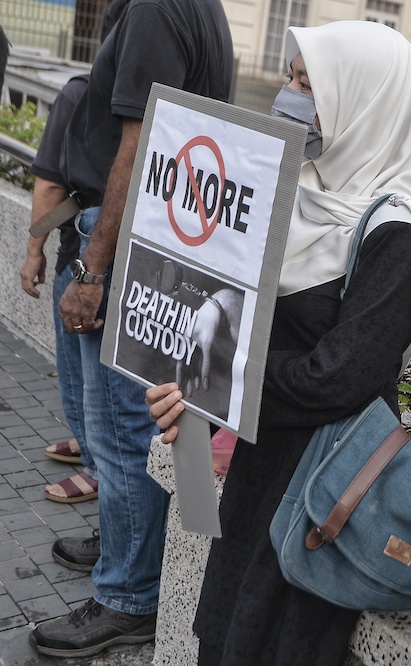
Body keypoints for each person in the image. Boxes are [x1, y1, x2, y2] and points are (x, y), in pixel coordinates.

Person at [146, 21, 411, 665]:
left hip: (322, 482)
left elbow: (339, 377)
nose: (292, 96)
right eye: (292, 78)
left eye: (310, 84)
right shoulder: (297, 189)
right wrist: (188, 372)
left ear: (366, 99)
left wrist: (221, 381)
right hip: (265, 461)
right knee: (227, 633)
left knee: (274, 642)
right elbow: (234, 311)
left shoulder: (395, 230)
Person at [29, 0, 233, 657]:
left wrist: (92, 269)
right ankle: (122, 552)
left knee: (122, 436)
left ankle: (127, 598)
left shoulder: (154, 7)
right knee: (120, 431)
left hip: (128, 249)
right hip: (155, 244)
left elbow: (139, 143)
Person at [20, 0, 132, 507]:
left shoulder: (78, 94)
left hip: (83, 255)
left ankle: (91, 461)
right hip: (127, 256)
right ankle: (88, 448)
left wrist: (32, 251)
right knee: (103, 381)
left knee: (80, 374)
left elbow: (50, 189)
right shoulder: (143, 104)